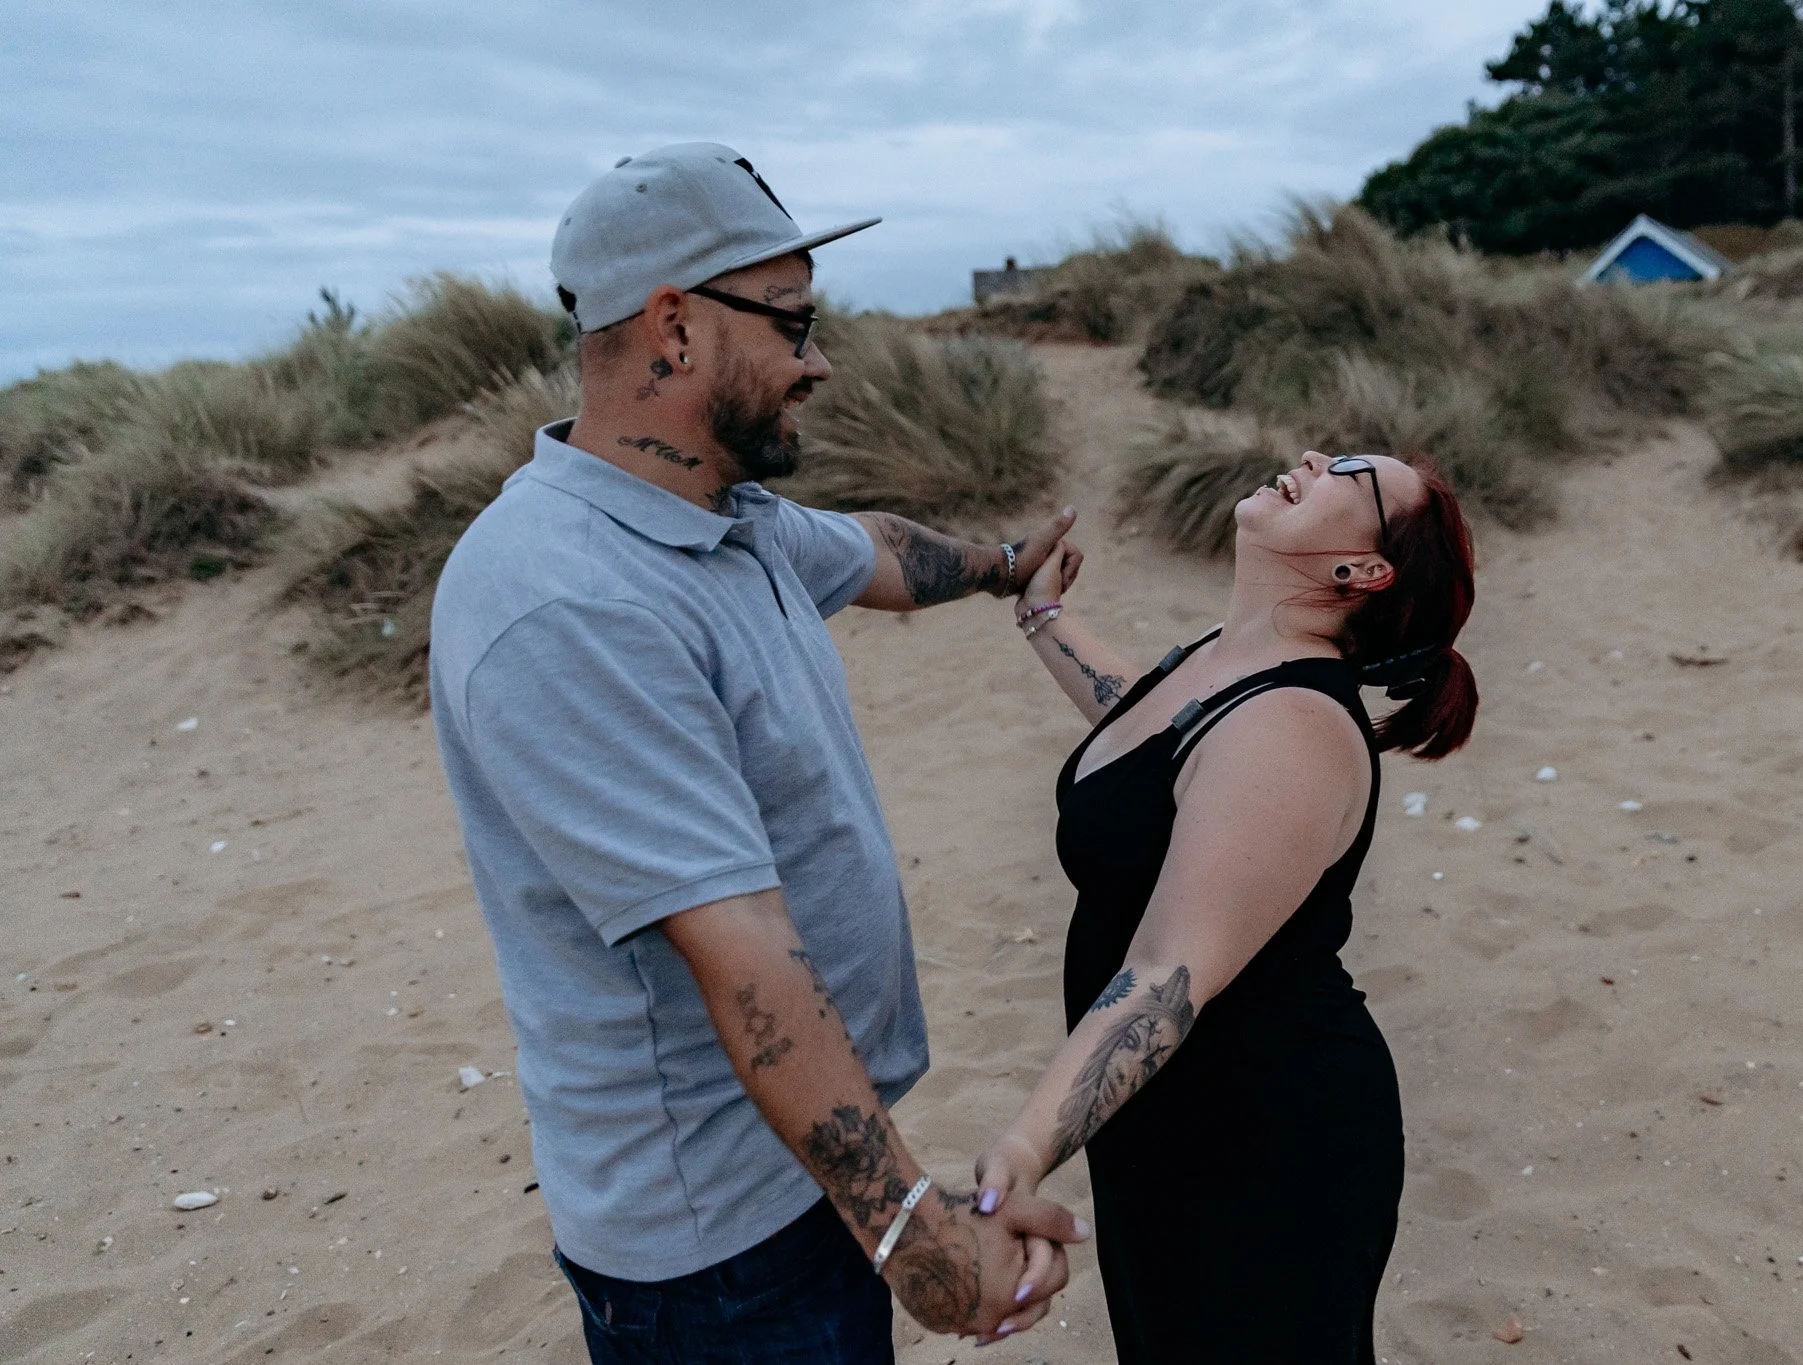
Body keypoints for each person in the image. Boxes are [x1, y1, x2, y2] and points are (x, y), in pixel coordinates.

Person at [429, 143, 1089, 1364]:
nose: (817, 359)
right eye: (792, 322)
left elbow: (876, 553)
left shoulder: (718, 515)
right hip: (715, 1255)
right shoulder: (566, 599)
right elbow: (742, 961)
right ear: (673, 327)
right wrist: (920, 1246)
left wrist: (1007, 563)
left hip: (804, 1181)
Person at [971, 451, 1481, 1360]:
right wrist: (1042, 614)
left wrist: (1020, 1150)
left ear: (1360, 571)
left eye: (1350, 474)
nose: (1318, 459)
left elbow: (1166, 976)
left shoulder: (1293, 727)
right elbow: (1146, 724)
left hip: (1263, 1142)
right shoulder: (1228, 658)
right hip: (1166, 1118)